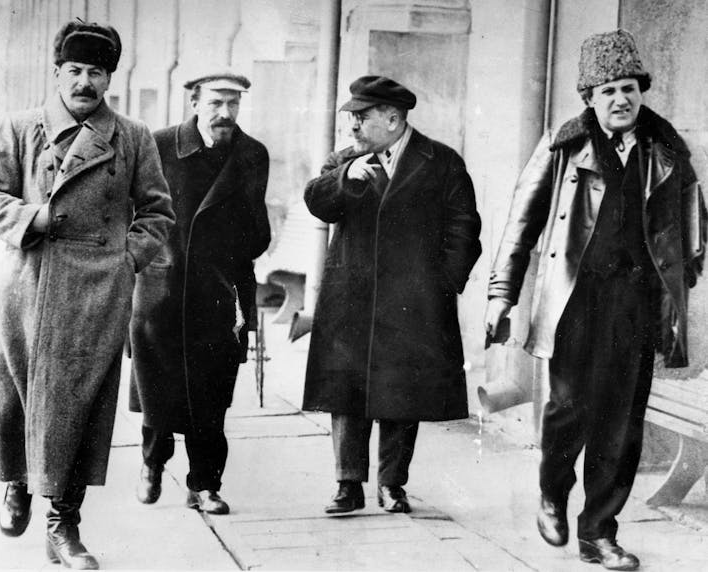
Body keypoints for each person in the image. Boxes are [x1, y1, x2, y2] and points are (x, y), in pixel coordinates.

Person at [485, 30, 705, 571]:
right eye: (607, 90)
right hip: (573, 304)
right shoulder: (561, 149)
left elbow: (694, 228)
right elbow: (520, 226)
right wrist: (500, 296)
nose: (620, 99)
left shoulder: (668, 150)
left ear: (641, 91)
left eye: (628, 88)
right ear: (589, 98)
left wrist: (681, 281)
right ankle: (552, 494)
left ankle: (599, 533)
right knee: (567, 410)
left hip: (636, 306)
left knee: (622, 423)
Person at [0, 20, 175, 570]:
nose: (85, 82)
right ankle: (16, 483)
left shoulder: (132, 137)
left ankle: (64, 523)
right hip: (27, 282)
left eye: (96, 73)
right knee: (17, 393)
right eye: (75, 70)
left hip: (94, 291)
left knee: (79, 403)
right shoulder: (20, 127)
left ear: (109, 80)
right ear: (56, 73)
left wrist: (126, 261)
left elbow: (157, 211)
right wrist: (30, 217)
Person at [302, 76, 482, 515]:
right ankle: (348, 484)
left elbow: (464, 227)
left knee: (403, 390)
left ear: (393, 118)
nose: (353, 127)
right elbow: (316, 202)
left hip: (413, 298)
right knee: (346, 388)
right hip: (351, 295)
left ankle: (392, 484)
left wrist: (441, 284)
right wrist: (346, 177)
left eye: (361, 118)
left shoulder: (440, 162)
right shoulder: (347, 159)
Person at [129, 70, 270, 515]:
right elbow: (136, 214)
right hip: (162, 286)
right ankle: (152, 463)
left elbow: (258, 231)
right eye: (216, 103)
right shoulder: (159, 144)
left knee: (212, 393)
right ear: (194, 102)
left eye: (233, 103)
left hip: (220, 291)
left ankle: (204, 484)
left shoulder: (252, 155)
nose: (225, 113)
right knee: (157, 387)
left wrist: (229, 253)